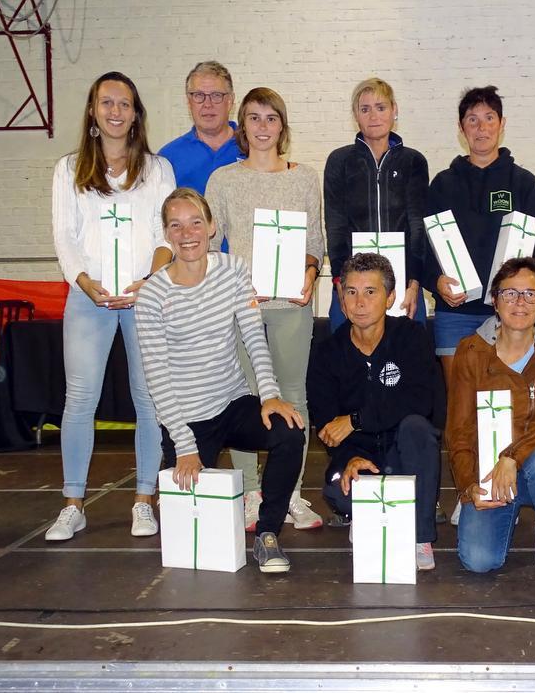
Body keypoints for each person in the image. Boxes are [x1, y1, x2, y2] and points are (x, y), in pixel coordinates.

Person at [136, 188, 305, 573]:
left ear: (211, 227)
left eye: (196, 222)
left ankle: (267, 534)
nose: (187, 232)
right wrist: (184, 445)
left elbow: (252, 336)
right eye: (176, 225)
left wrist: (271, 396)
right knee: (189, 529)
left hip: (231, 404)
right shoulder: (152, 296)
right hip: (187, 420)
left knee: (290, 430)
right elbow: (156, 377)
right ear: (166, 233)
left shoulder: (233, 269)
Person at [46, 71, 175, 542]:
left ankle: (144, 499)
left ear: (136, 113)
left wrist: (150, 280)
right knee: (79, 401)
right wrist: (84, 282)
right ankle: (73, 502)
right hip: (88, 299)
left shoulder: (158, 169)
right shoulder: (68, 169)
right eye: (107, 103)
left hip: (145, 300)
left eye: (125, 104)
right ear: (94, 111)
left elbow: (167, 235)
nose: (116, 111)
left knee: (149, 401)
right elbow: (65, 236)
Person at [424, 86, 535, 525]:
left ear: (501, 124)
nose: (481, 127)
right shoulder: (442, 184)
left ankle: (512, 484)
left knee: (516, 405)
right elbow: (424, 249)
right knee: (462, 409)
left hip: (513, 316)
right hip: (456, 315)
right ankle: (469, 490)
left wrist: (528, 297)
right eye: (472, 120)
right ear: (461, 129)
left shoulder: (524, 183)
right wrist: (436, 280)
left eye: (488, 118)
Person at [205, 87, 325, 532]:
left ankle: (289, 492)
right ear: (242, 125)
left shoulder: (304, 177)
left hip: (292, 303)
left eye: (271, 118)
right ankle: (253, 494)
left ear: (282, 126)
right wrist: (227, 286)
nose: (262, 126)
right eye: (253, 118)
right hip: (241, 307)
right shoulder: (223, 180)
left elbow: (315, 244)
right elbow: (209, 245)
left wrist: (310, 277)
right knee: (245, 398)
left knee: (293, 394)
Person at [309, 253, 440, 571]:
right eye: (351, 292)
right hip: (359, 455)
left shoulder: (412, 338)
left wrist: (356, 420)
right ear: (341, 299)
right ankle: (364, 512)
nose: (359, 302)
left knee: (417, 428)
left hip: (403, 452)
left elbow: (421, 401)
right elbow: (326, 424)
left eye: (371, 292)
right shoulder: (327, 351)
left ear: (390, 297)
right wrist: (348, 459)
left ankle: (420, 536)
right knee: (338, 492)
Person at [447, 257, 535, 572]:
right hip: (491, 473)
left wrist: (513, 456)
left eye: (531, 294)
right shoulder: (470, 351)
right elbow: (459, 429)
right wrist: (468, 487)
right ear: (495, 301)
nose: (520, 302)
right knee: (479, 562)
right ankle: (507, 508)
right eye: (509, 293)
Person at [323, 78, 430, 330]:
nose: (373, 116)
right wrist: (339, 280)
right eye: (365, 109)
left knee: (409, 359)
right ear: (355, 116)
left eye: (381, 107)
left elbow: (418, 226)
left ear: (394, 110)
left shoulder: (414, 162)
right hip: (352, 284)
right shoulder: (340, 161)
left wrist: (414, 281)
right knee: (346, 362)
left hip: (403, 283)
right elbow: (335, 225)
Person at [159, 61, 243, 195]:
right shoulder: (168, 158)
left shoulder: (251, 148)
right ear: (189, 101)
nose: (207, 104)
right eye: (199, 95)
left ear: (230, 100)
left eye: (216, 95)